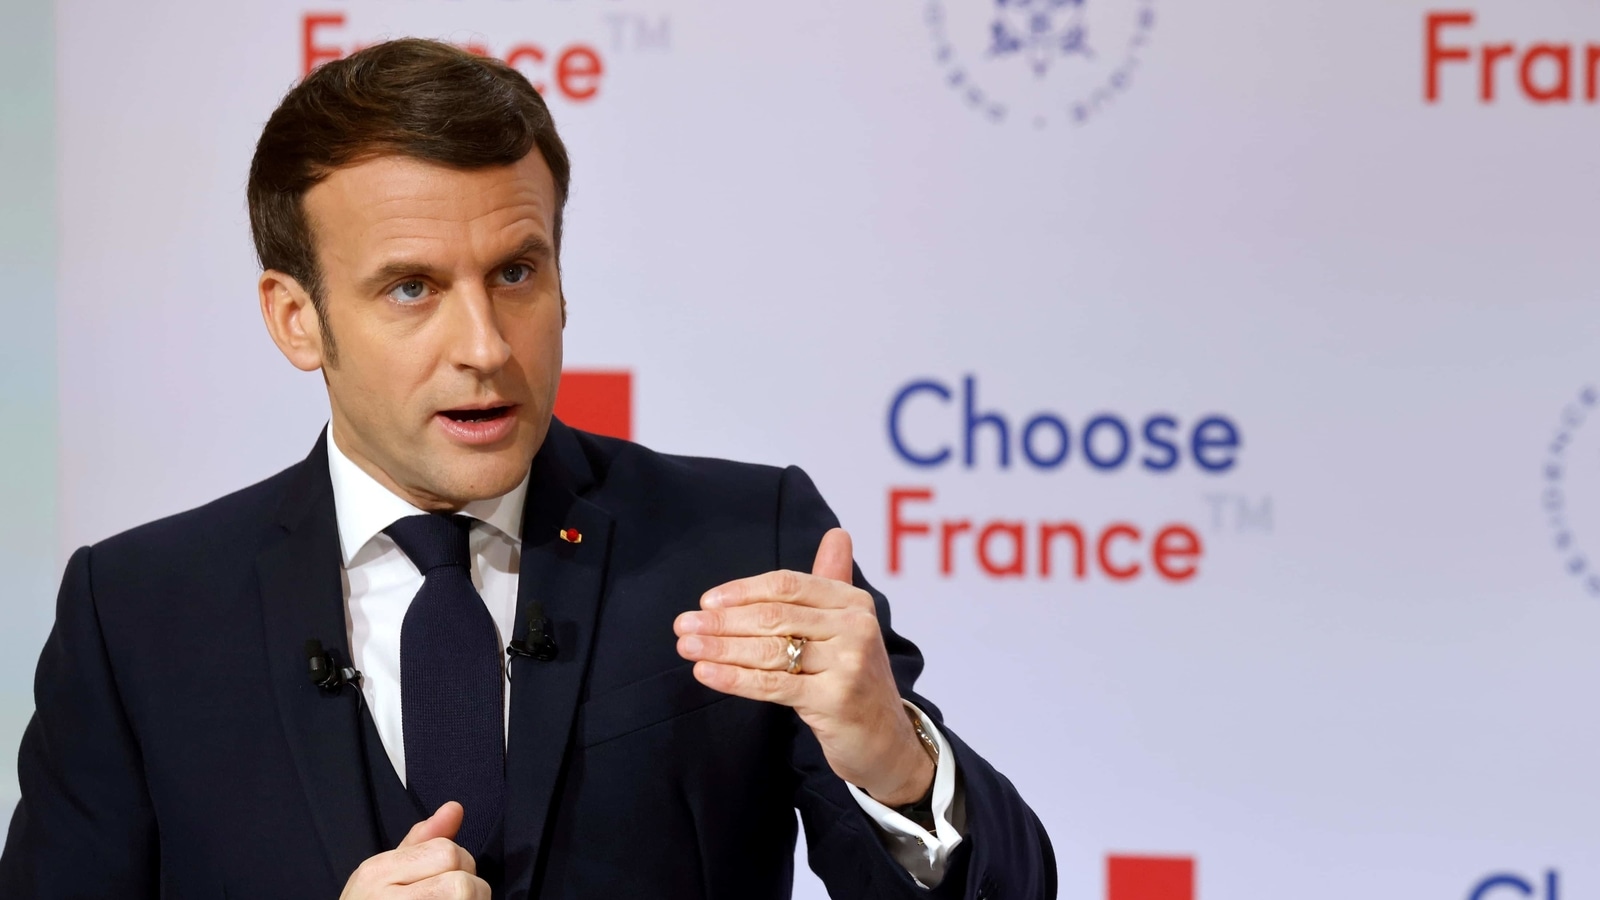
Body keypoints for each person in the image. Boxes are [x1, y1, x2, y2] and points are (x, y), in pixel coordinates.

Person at [0, 38, 1054, 900]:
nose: (487, 346)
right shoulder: (138, 613)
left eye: (516, 271)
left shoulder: (745, 541)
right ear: (295, 317)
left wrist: (894, 761)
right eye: (411, 288)